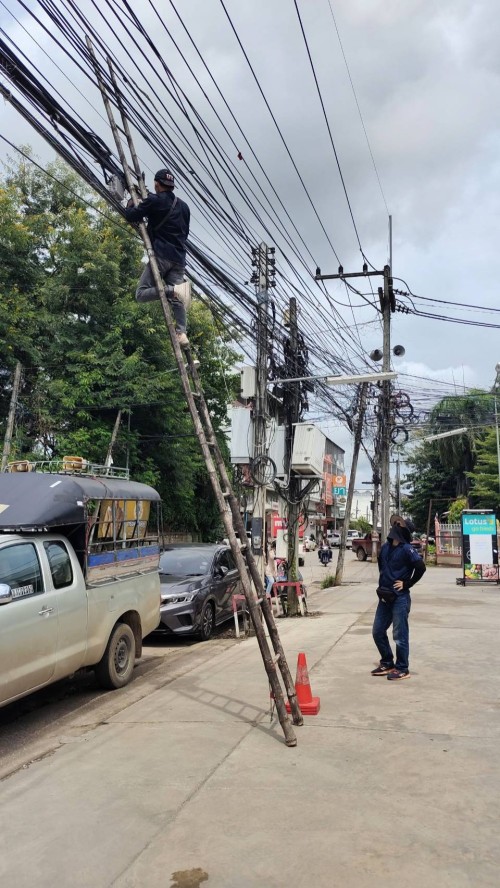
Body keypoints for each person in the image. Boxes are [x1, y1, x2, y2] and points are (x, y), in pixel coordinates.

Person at [125, 169, 191, 347]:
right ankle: (182, 333)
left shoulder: (154, 201)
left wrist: (131, 204)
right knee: (178, 299)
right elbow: (185, 233)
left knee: (141, 294)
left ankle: (171, 290)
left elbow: (131, 216)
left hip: (161, 255)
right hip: (179, 258)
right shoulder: (184, 207)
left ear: (156, 184)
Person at [371, 515, 426, 681]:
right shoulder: (385, 547)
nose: (395, 526)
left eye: (399, 524)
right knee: (377, 631)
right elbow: (381, 566)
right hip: (384, 597)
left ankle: (402, 668)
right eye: (395, 523)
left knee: (399, 635)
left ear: (404, 531)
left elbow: (421, 567)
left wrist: (407, 583)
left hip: (400, 598)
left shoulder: (407, 549)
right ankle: (387, 662)